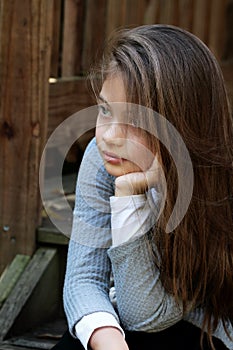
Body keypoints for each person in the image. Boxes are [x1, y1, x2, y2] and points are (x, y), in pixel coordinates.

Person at [52, 25, 233, 350]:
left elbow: (148, 315)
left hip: (203, 329)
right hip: (135, 319)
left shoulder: (215, 186)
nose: (108, 136)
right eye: (105, 110)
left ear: (180, 126)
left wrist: (129, 197)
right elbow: (83, 279)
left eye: (134, 122)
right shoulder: (100, 155)